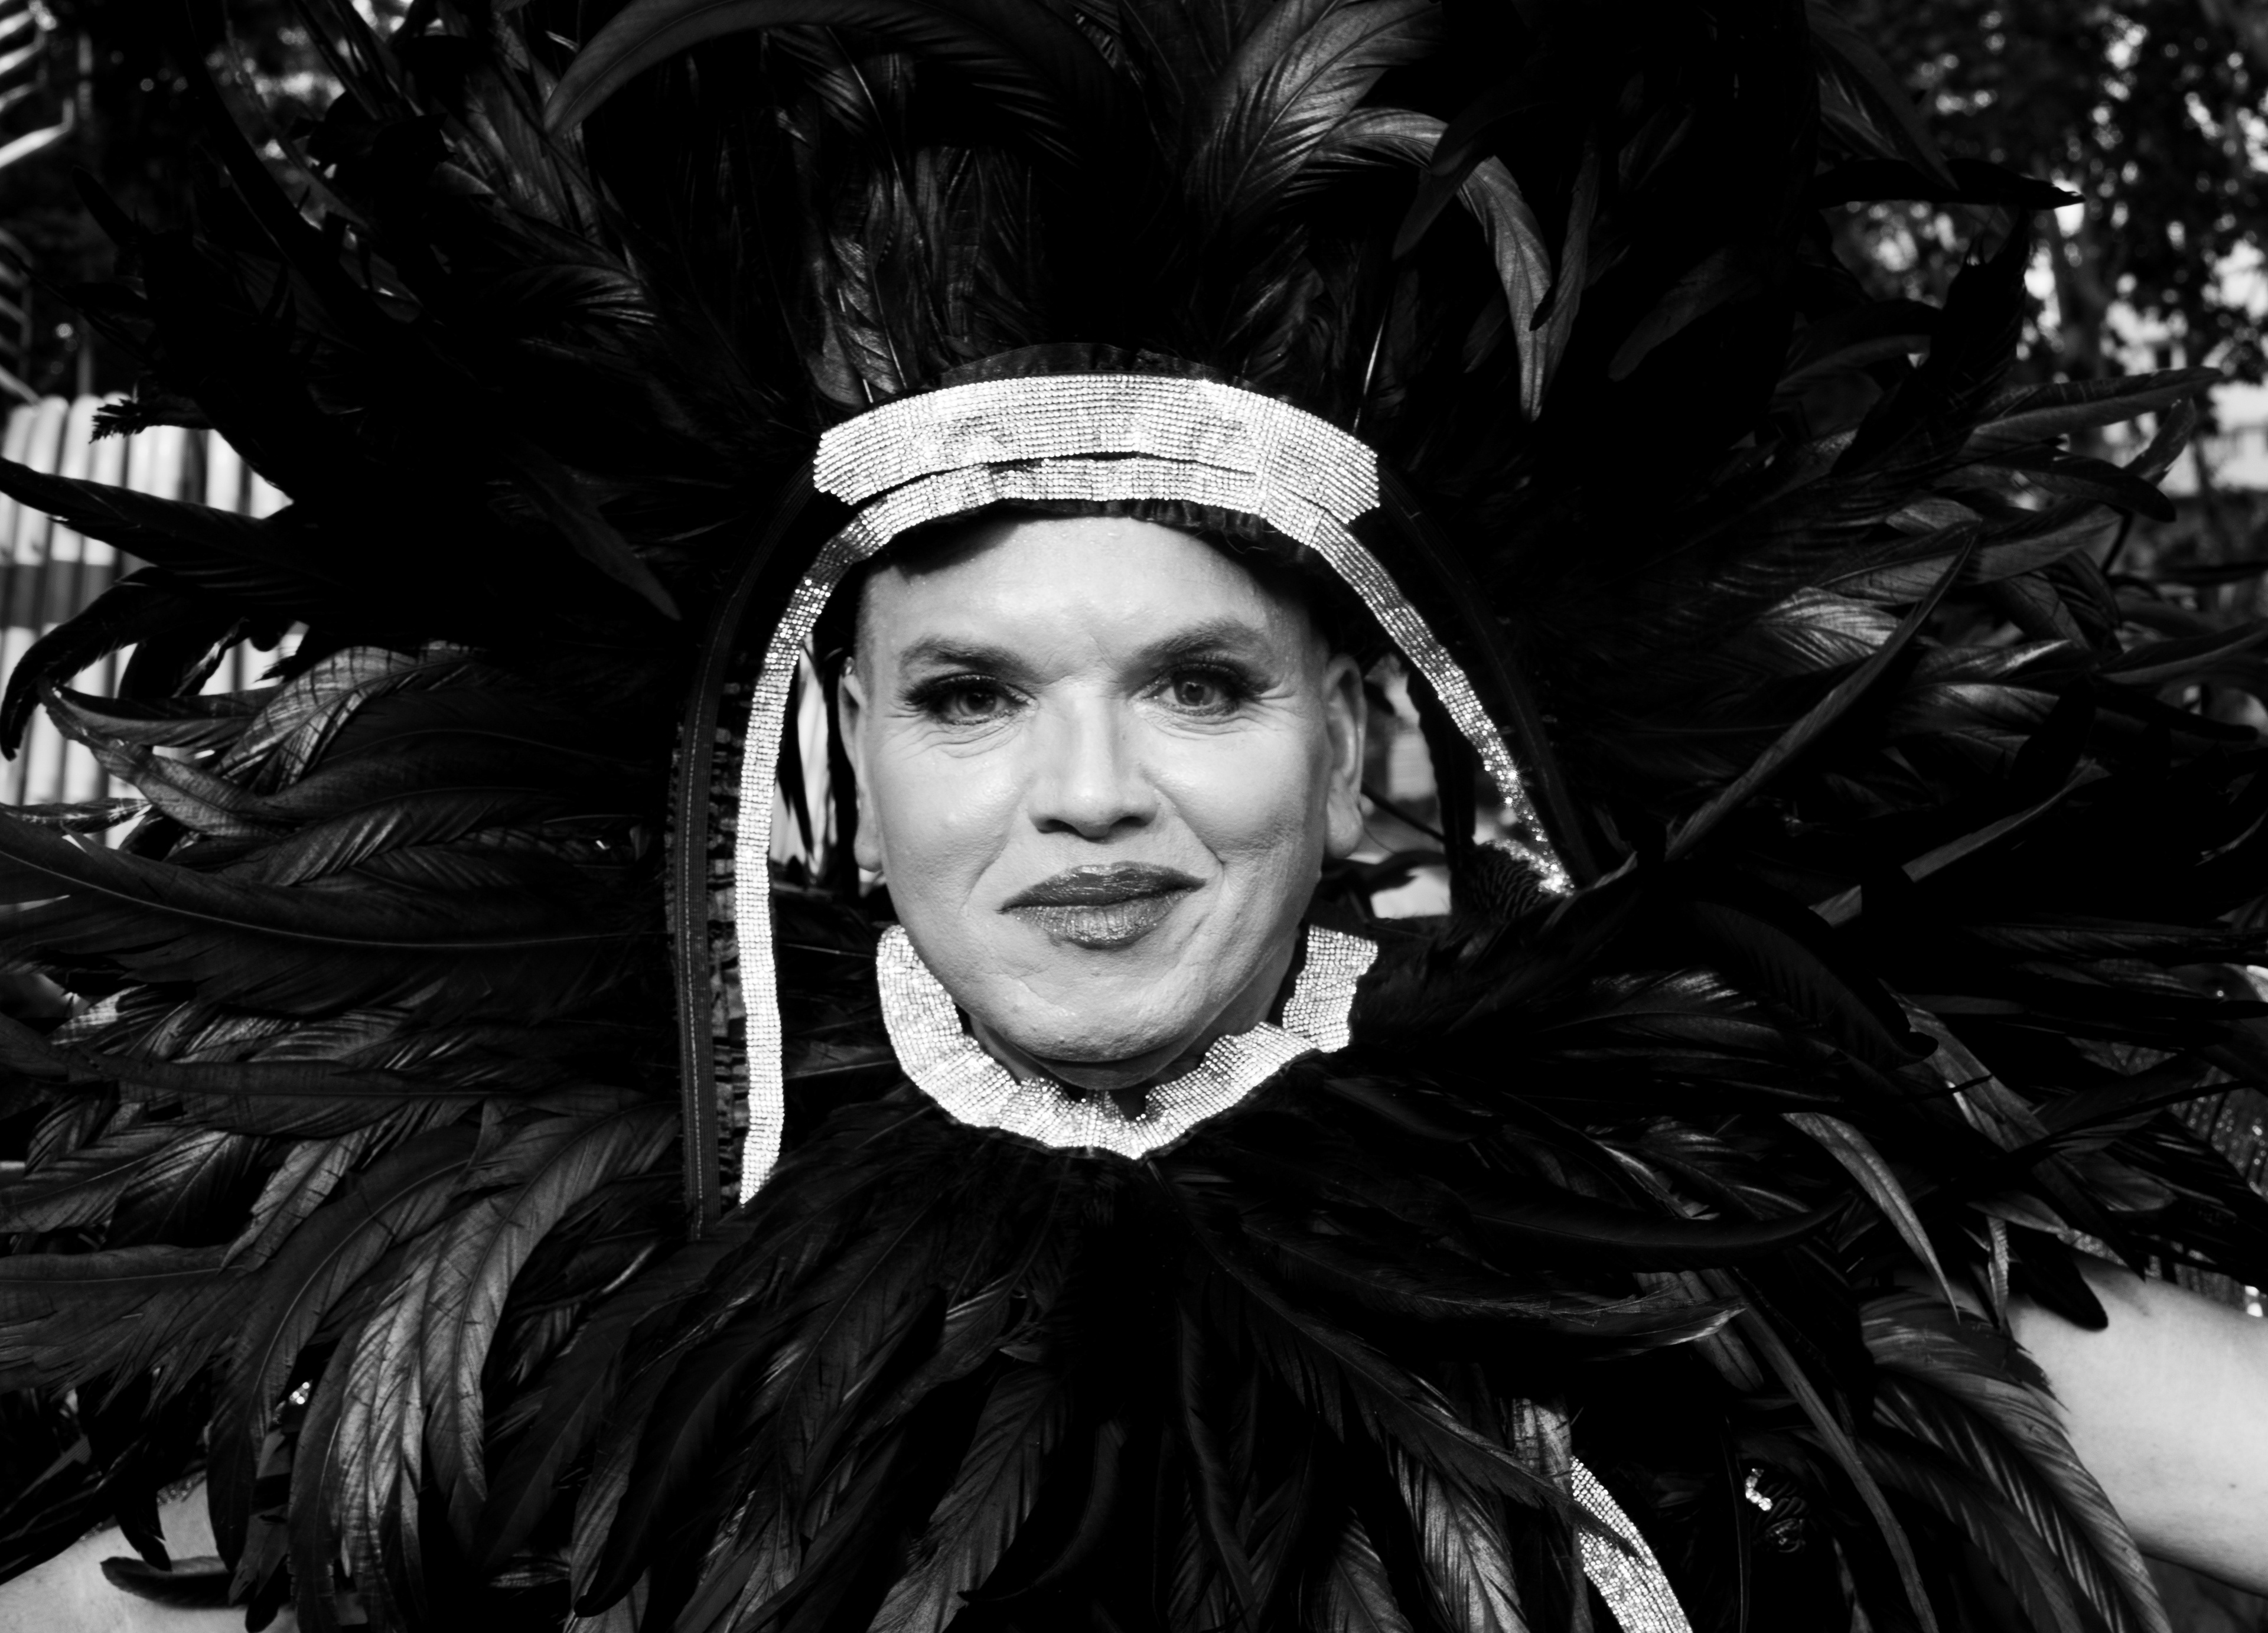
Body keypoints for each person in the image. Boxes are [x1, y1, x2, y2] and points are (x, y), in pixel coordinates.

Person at [0, 1, 2264, 1630]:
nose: (1091, 800)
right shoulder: (561, 1254)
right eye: (972, 695)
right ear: (839, 740)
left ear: (1353, 727)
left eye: (1198, 684)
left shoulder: (1702, 1207)